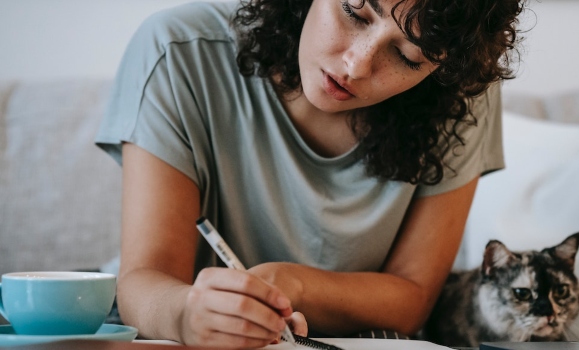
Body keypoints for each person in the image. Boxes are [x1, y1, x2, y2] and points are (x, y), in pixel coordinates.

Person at [95, 0, 524, 348]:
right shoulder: (178, 51)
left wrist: (289, 284)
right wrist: (187, 314)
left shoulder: (459, 97)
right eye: (354, 11)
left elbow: (413, 296)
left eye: (408, 56)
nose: (356, 64)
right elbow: (143, 282)